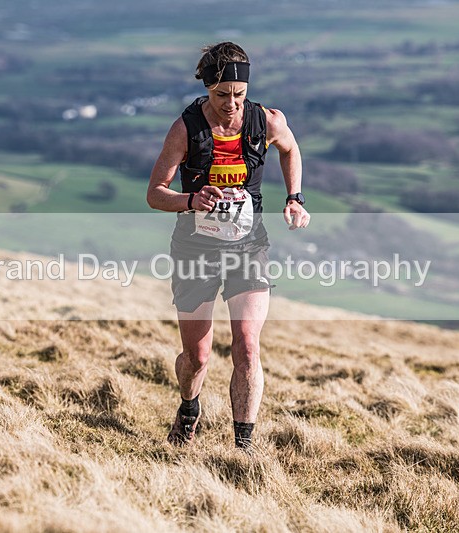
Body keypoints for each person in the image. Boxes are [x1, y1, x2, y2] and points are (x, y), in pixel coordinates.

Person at [147, 42, 310, 449]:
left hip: (248, 245)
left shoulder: (266, 121)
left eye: (238, 94)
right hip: (195, 248)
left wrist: (295, 197)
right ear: (207, 90)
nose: (231, 104)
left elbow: (290, 149)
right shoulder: (185, 129)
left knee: (248, 346)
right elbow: (155, 193)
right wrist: (189, 200)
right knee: (197, 356)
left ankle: (244, 444)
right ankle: (189, 407)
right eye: (222, 95)